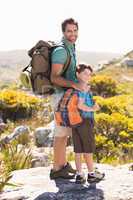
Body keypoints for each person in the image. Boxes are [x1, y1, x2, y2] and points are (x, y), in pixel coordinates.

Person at [50, 18, 89, 179]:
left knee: (64, 132)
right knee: (61, 132)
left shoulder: (71, 46)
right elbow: (54, 77)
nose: (72, 34)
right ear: (63, 32)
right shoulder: (61, 51)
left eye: (74, 30)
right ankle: (57, 169)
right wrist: (75, 84)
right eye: (69, 31)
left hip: (66, 96)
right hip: (60, 96)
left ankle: (62, 165)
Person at [72, 64, 105, 184]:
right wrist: (93, 109)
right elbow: (80, 105)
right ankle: (91, 174)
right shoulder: (83, 87)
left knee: (78, 150)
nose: (88, 76)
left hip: (74, 121)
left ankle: (79, 175)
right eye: (85, 73)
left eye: (89, 74)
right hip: (85, 121)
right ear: (77, 73)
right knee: (88, 149)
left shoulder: (74, 86)